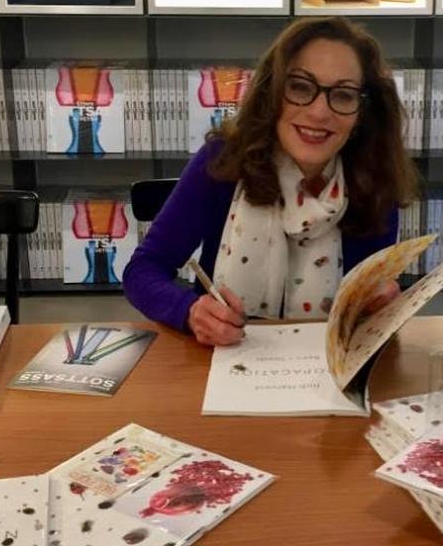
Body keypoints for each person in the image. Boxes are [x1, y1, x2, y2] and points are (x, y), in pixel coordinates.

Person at [123, 17, 419, 346]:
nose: (320, 113)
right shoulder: (222, 161)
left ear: (362, 110)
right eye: (300, 87)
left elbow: (370, 302)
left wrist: (383, 305)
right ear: (272, 92)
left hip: (325, 370)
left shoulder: (374, 179)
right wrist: (190, 310)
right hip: (222, 362)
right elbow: (142, 271)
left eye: (344, 95)